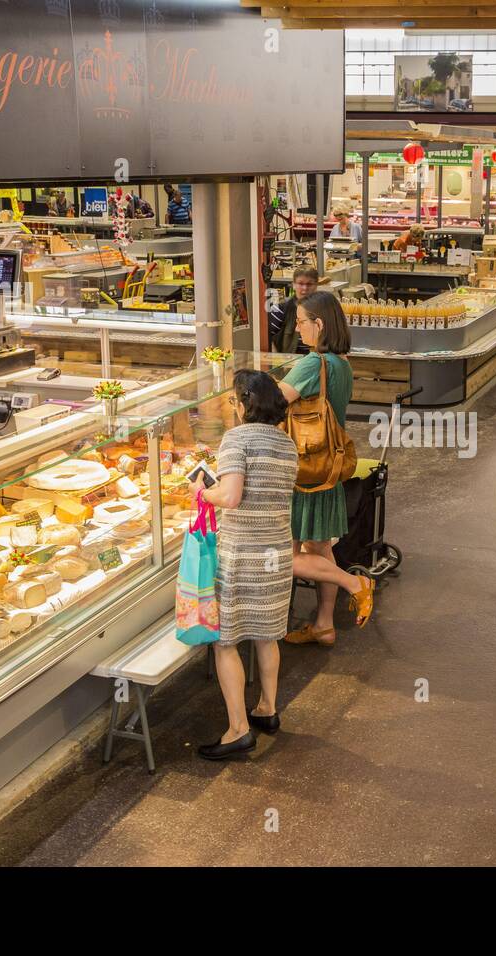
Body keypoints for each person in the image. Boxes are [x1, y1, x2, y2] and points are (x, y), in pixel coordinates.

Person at [194, 371, 298, 760]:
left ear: (243, 405)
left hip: (241, 554)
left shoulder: (236, 438)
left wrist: (203, 492)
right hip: (276, 553)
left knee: (226, 643)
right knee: (267, 636)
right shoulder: (287, 444)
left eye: (234, 401)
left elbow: (232, 495)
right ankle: (267, 710)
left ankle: (238, 730)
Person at [278, 291, 375, 646]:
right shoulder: (342, 364)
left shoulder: (310, 364)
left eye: (301, 321)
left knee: (283, 555)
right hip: (327, 466)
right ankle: (323, 624)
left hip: (302, 470)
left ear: (318, 324)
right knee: (321, 549)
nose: (298, 328)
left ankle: (355, 583)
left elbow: (274, 400)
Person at [273, 266, 318, 355]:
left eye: (309, 284)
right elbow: (267, 337)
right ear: (293, 285)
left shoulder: (323, 308)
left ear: (316, 285)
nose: (305, 288)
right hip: (290, 359)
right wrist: (277, 361)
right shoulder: (281, 308)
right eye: (300, 284)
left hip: (318, 358)